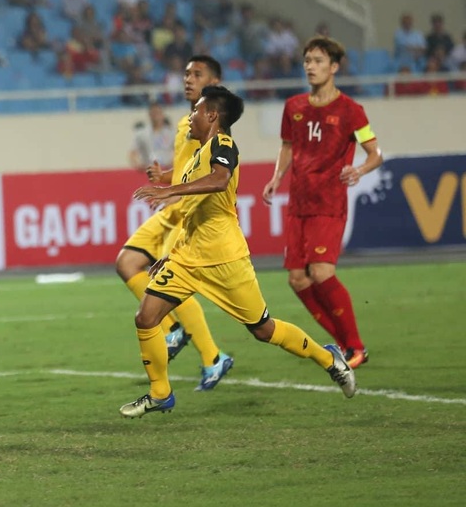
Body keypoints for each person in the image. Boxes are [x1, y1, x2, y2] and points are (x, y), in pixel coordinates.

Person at [119, 85, 357, 417]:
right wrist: (171, 254)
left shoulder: (224, 144)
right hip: (189, 258)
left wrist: (169, 189)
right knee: (146, 317)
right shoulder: (194, 160)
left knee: (264, 330)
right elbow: (194, 214)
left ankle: (328, 357)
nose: (191, 116)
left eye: (196, 111)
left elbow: (219, 180)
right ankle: (160, 393)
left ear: (212, 116)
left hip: (226, 259)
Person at [262, 36, 383, 369]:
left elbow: (376, 153)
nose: (310, 67)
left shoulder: (351, 110)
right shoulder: (294, 107)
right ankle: (345, 346)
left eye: (317, 61)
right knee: (297, 279)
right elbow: (287, 146)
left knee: (321, 272)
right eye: (307, 61)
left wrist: (358, 170)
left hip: (329, 203)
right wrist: (277, 178)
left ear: (334, 67)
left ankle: (355, 346)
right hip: (298, 203)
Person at [115, 55, 232, 391]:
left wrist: (176, 192)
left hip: (187, 212)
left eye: (197, 74)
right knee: (127, 262)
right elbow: (187, 167)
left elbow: (212, 173)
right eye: (186, 74)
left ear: (215, 83)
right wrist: (164, 177)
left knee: (167, 282)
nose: (188, 79)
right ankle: (173, 331)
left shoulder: (211, 123)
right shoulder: (186, 122)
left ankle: (211, 357)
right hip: (171, 208)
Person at [128, 102, 174, 172]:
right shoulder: (141, 134)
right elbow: (132, 152)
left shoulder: (171, 133)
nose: (156, 116)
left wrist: (172, 162)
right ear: (149, 115)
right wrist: (138, 164)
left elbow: (178, 151)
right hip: (148, 170)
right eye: (153, 114)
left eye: (158, 113)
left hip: (166, 169)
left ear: (162, 114)